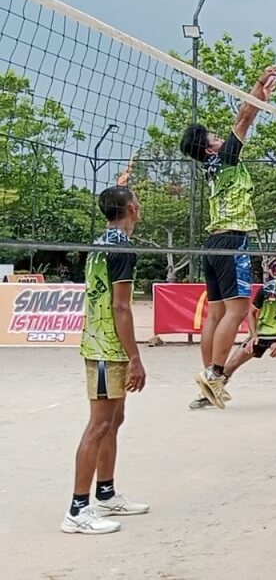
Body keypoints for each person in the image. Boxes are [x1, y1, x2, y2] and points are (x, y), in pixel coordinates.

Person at [180, 64, 276, 410]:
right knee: (236, 311)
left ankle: (209, 377)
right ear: (209, 149)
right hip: (232, 240)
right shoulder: (223, 159)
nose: (220, 138)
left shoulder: (210, 166)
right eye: (213, 138)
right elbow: (243, 118)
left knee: (216, 313)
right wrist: (259, 88)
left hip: (212, 244)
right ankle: (216, 376)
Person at [63, 185, 149, 534]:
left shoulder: (101, 243)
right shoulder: (122, 248)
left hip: (101, 344)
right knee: (99, 425)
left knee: (115, 420)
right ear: (131, 207)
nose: (139, 205)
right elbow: (120, 306)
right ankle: (77, 510)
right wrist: (135, 358)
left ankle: (106, 492)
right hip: (105, 348)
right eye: (137, 201)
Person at [197, 257, 276, 411]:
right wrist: (253, 336)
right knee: (229, 367)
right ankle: (209, 396)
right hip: (261, 335)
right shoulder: (268, 289)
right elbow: (251, 313)